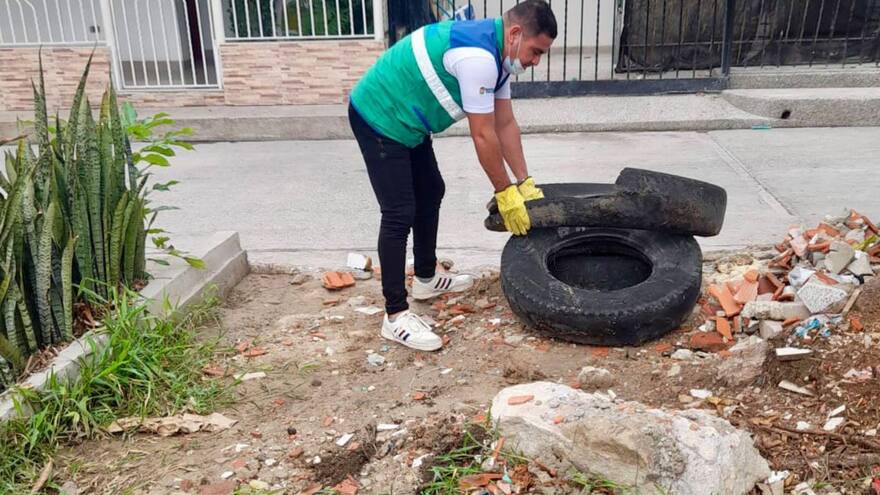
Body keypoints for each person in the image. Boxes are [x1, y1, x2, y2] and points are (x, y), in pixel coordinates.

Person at [348, 0, 557, 351]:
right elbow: (484, 135)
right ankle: (395, 315)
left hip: (408, 122)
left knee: (431, 190)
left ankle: (426, 278)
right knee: (399, 211)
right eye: (536, 52)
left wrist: (525, 182)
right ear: (516, 33)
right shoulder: (477, 58)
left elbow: (505, 124)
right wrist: (505, 192)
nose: (535, 61)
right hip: (379, 116)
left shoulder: (498, 59)